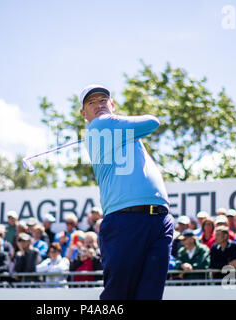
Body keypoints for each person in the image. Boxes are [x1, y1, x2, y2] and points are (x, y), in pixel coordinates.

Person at [80, 84, 174, 300]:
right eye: (92, 102)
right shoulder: (101, 125)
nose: (99, 105)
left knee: (149, 296)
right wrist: (114, 117)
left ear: (111, 104)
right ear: (84, 114)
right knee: (118, 296)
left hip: (159, 219)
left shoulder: (122, 132)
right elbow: (152, 121)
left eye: (103, 100)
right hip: (126, 219)